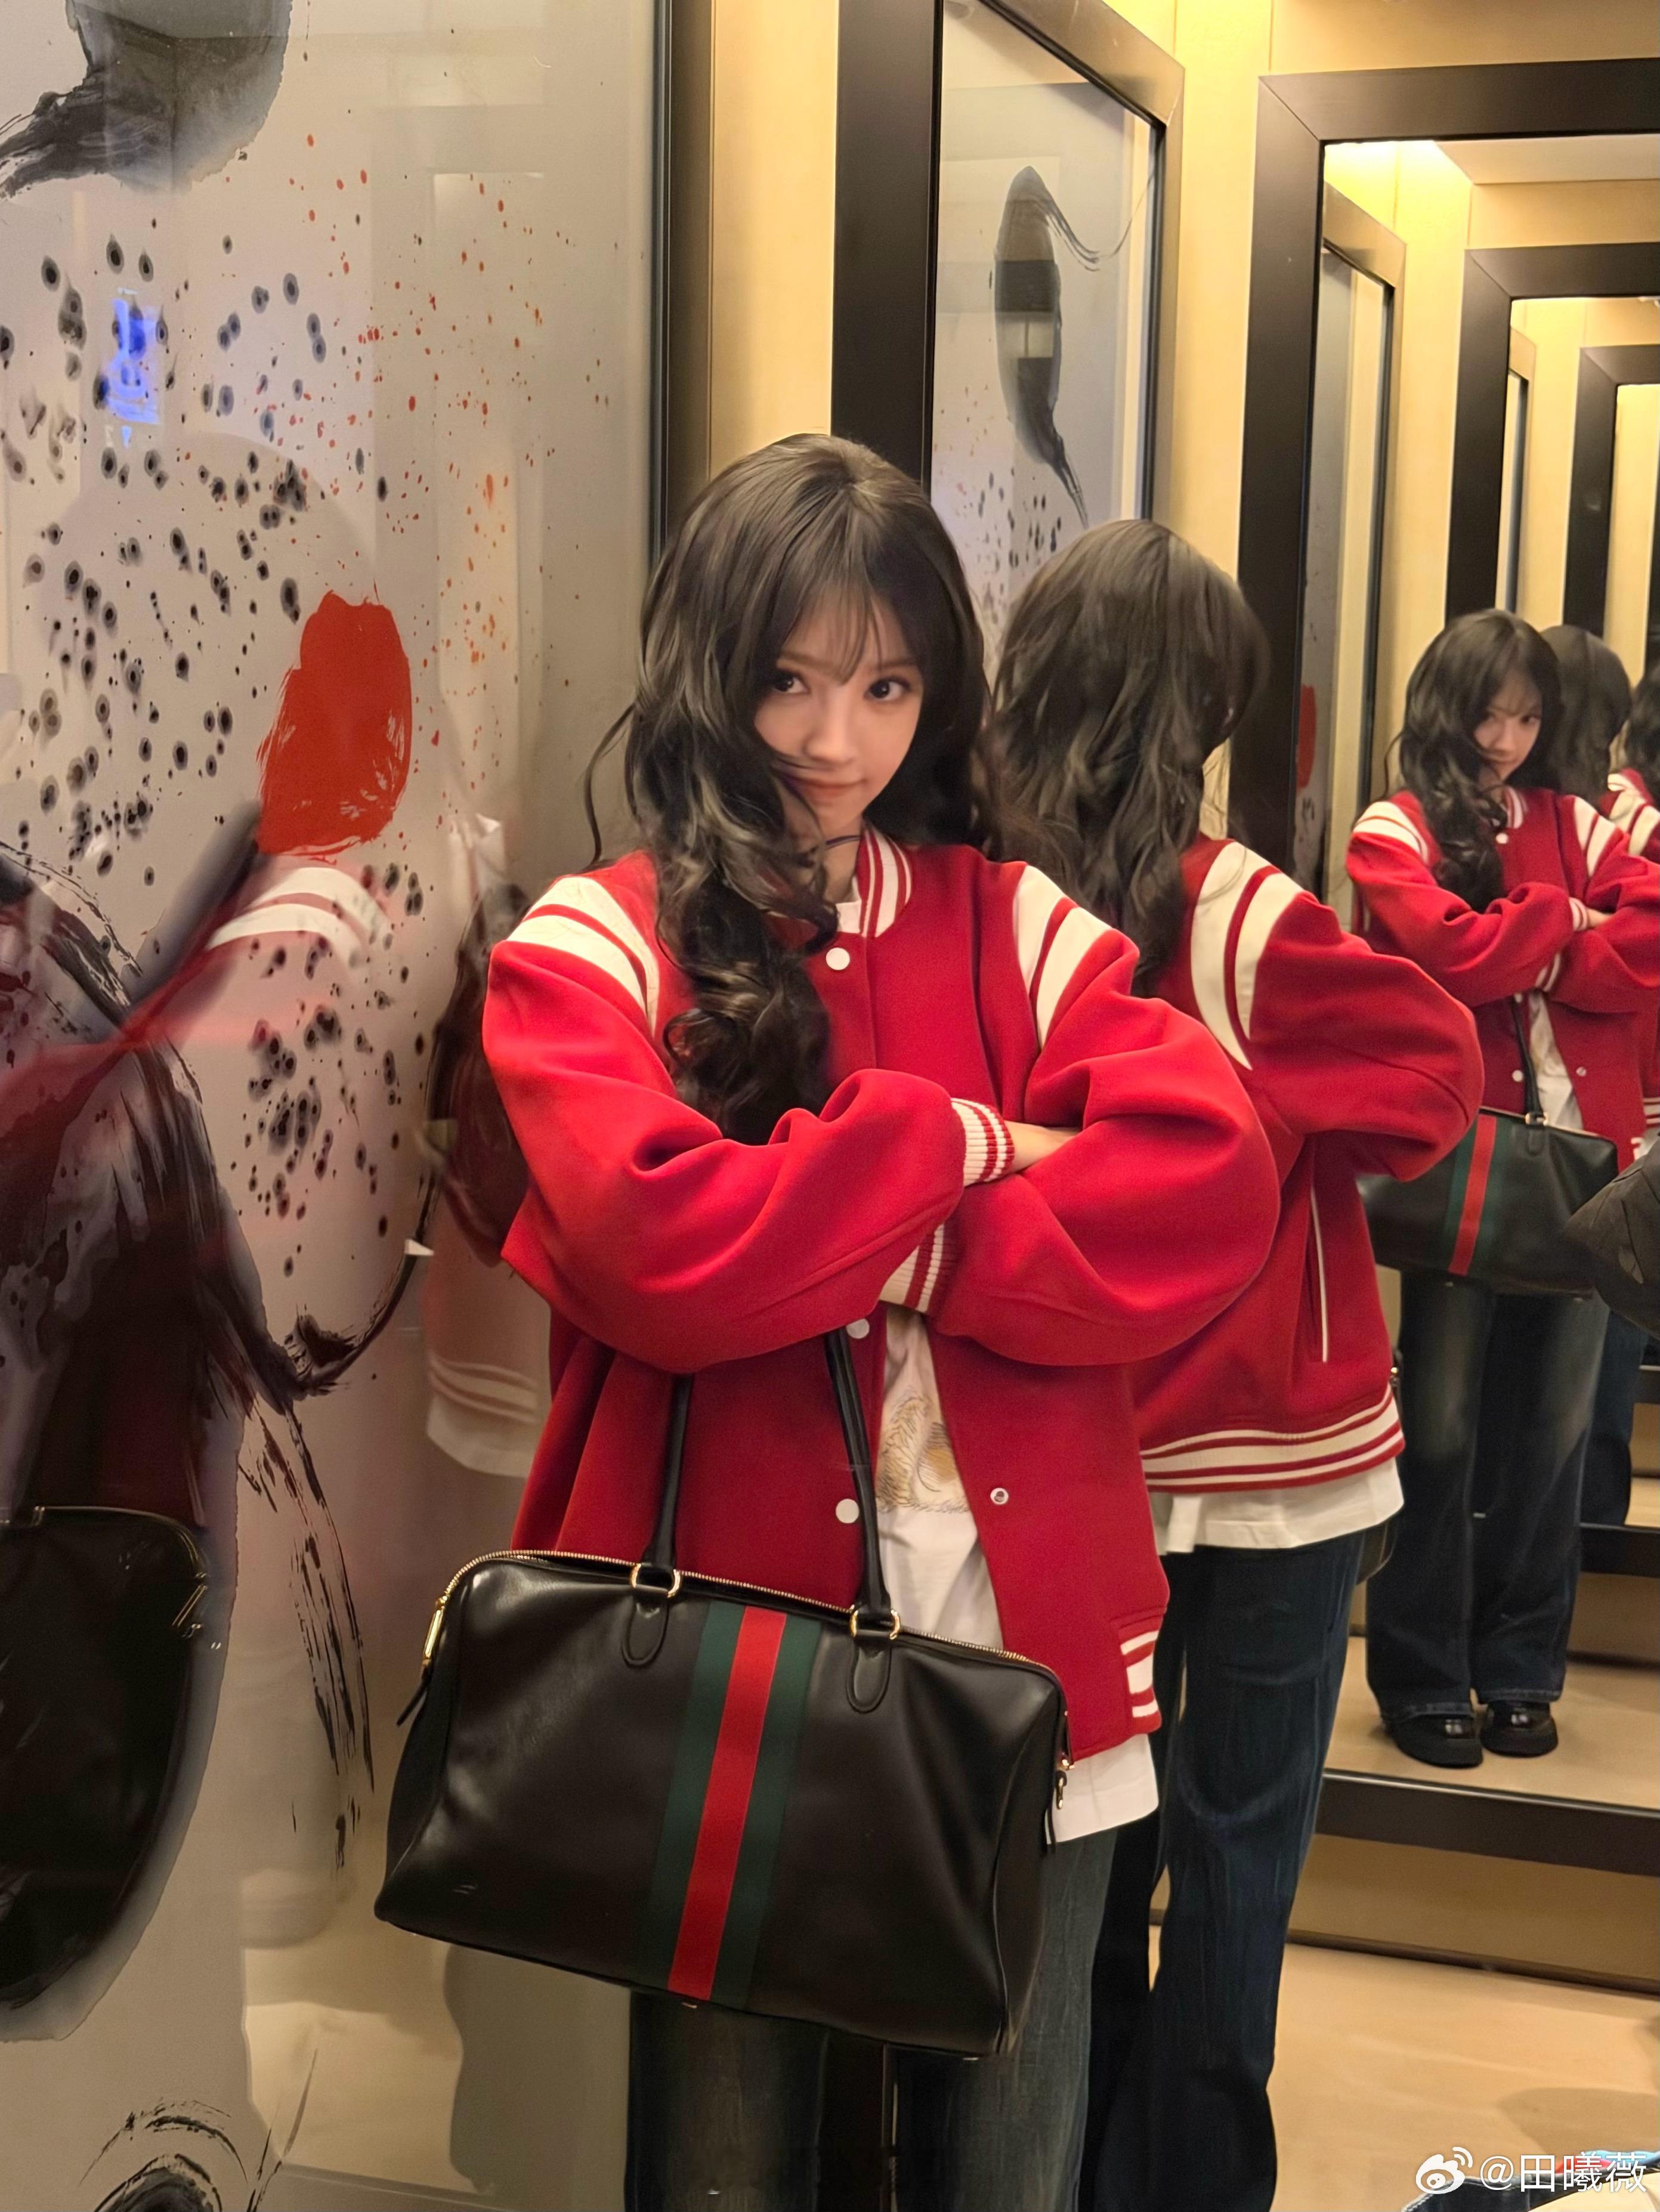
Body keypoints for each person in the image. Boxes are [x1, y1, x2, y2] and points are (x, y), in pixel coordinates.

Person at [480, 437, 1279, 2212]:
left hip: (1032, 1658)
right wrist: (957, 1140)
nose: (836, 739)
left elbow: (1207, 1182)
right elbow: (655, 1246)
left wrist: (881, 1242)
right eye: (789, 678)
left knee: (1011, 2164)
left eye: (888, 687)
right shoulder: (593, 942)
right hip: (715, 1678)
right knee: (723, 2166)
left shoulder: (1012, 924)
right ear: (709, 664)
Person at [990, 519, 1482, 2212]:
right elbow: (1437, 1075)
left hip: (1085, 1447)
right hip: (1285, 1452)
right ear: (1200, 707)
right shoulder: (1239, 911)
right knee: (1236, 1854)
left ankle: (1075, 2168)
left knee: (1082, 1854)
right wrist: (1263, 1139)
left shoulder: (989, 900)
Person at [1347, 610, 1658, 1765]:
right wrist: (1563, 919)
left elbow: (1650, 941)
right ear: (1446, 705)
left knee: (1555, 1437)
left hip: (1585, 1166)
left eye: (1527, 717)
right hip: (1460, 1164)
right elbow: (1443, 950)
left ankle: (1523, 1668)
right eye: (1489, 712)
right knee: (1437, 1432)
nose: (1506, 738)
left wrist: (1535, 941)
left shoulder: (1581, 820)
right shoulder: (1396, 825)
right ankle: (1423, 1672)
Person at [1544, 634, 1656, 1524]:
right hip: (1627, 1102)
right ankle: (1594, 1532)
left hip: (1597, 1100)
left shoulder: (1598, 821)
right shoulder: (1626, 824)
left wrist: (1536, 953)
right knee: (1604, 1335)